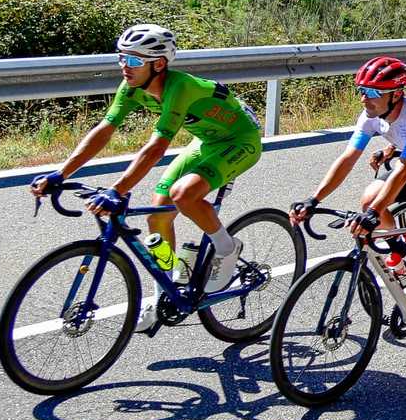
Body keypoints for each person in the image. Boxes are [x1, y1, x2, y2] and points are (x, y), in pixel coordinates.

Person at [29, 23, 261, 297]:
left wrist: (117, 190)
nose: (124, 66)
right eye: (121, 57)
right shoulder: (131, 87)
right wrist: (60, 174)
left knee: (184, 194)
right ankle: (167, 289)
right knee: (157, 217)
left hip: (240, 140)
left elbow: (156, 147)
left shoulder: (180, 88)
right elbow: (104, 130)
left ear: (159, 64)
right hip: (206, 141)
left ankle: (226, 247)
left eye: (134, 60)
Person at [293, 56, 406, 361]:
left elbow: (402, 170)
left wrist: (374, 215)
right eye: (362, 90)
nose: (366, 97)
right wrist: (315, 199)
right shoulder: (371, 116)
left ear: (396, 94)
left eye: (374, 92)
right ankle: (402, 256)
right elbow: (348, 158)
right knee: (369, 197)